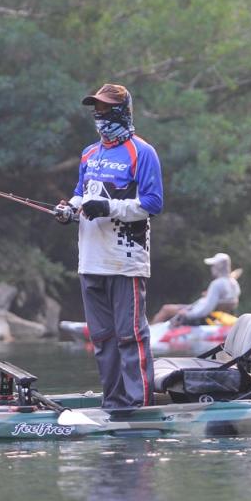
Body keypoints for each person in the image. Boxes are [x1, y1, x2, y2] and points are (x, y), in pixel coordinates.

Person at [53, 83, 163, 411]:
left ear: (121, 111)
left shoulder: (142, 152)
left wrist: (110, 208)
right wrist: (68, 210)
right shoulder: (89, 153)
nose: (98, 115)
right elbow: (80, 193)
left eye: (104, 108)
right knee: (102, 339)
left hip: (124, 260)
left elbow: (153, 203)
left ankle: (139, 407)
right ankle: (113, 404)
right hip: (90, 261)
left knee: (130, 336)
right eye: (95, 109)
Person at [151, 252, 242, 326]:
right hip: (217, 315)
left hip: (201, 314)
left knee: (166, 309)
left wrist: (187, 314)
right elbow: (229, 301)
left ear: (217, 267)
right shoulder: (234, 283)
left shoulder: (216, 284)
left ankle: (152, 333)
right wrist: (209, 295)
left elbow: (205, 310)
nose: (212, 268)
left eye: (213, 266)